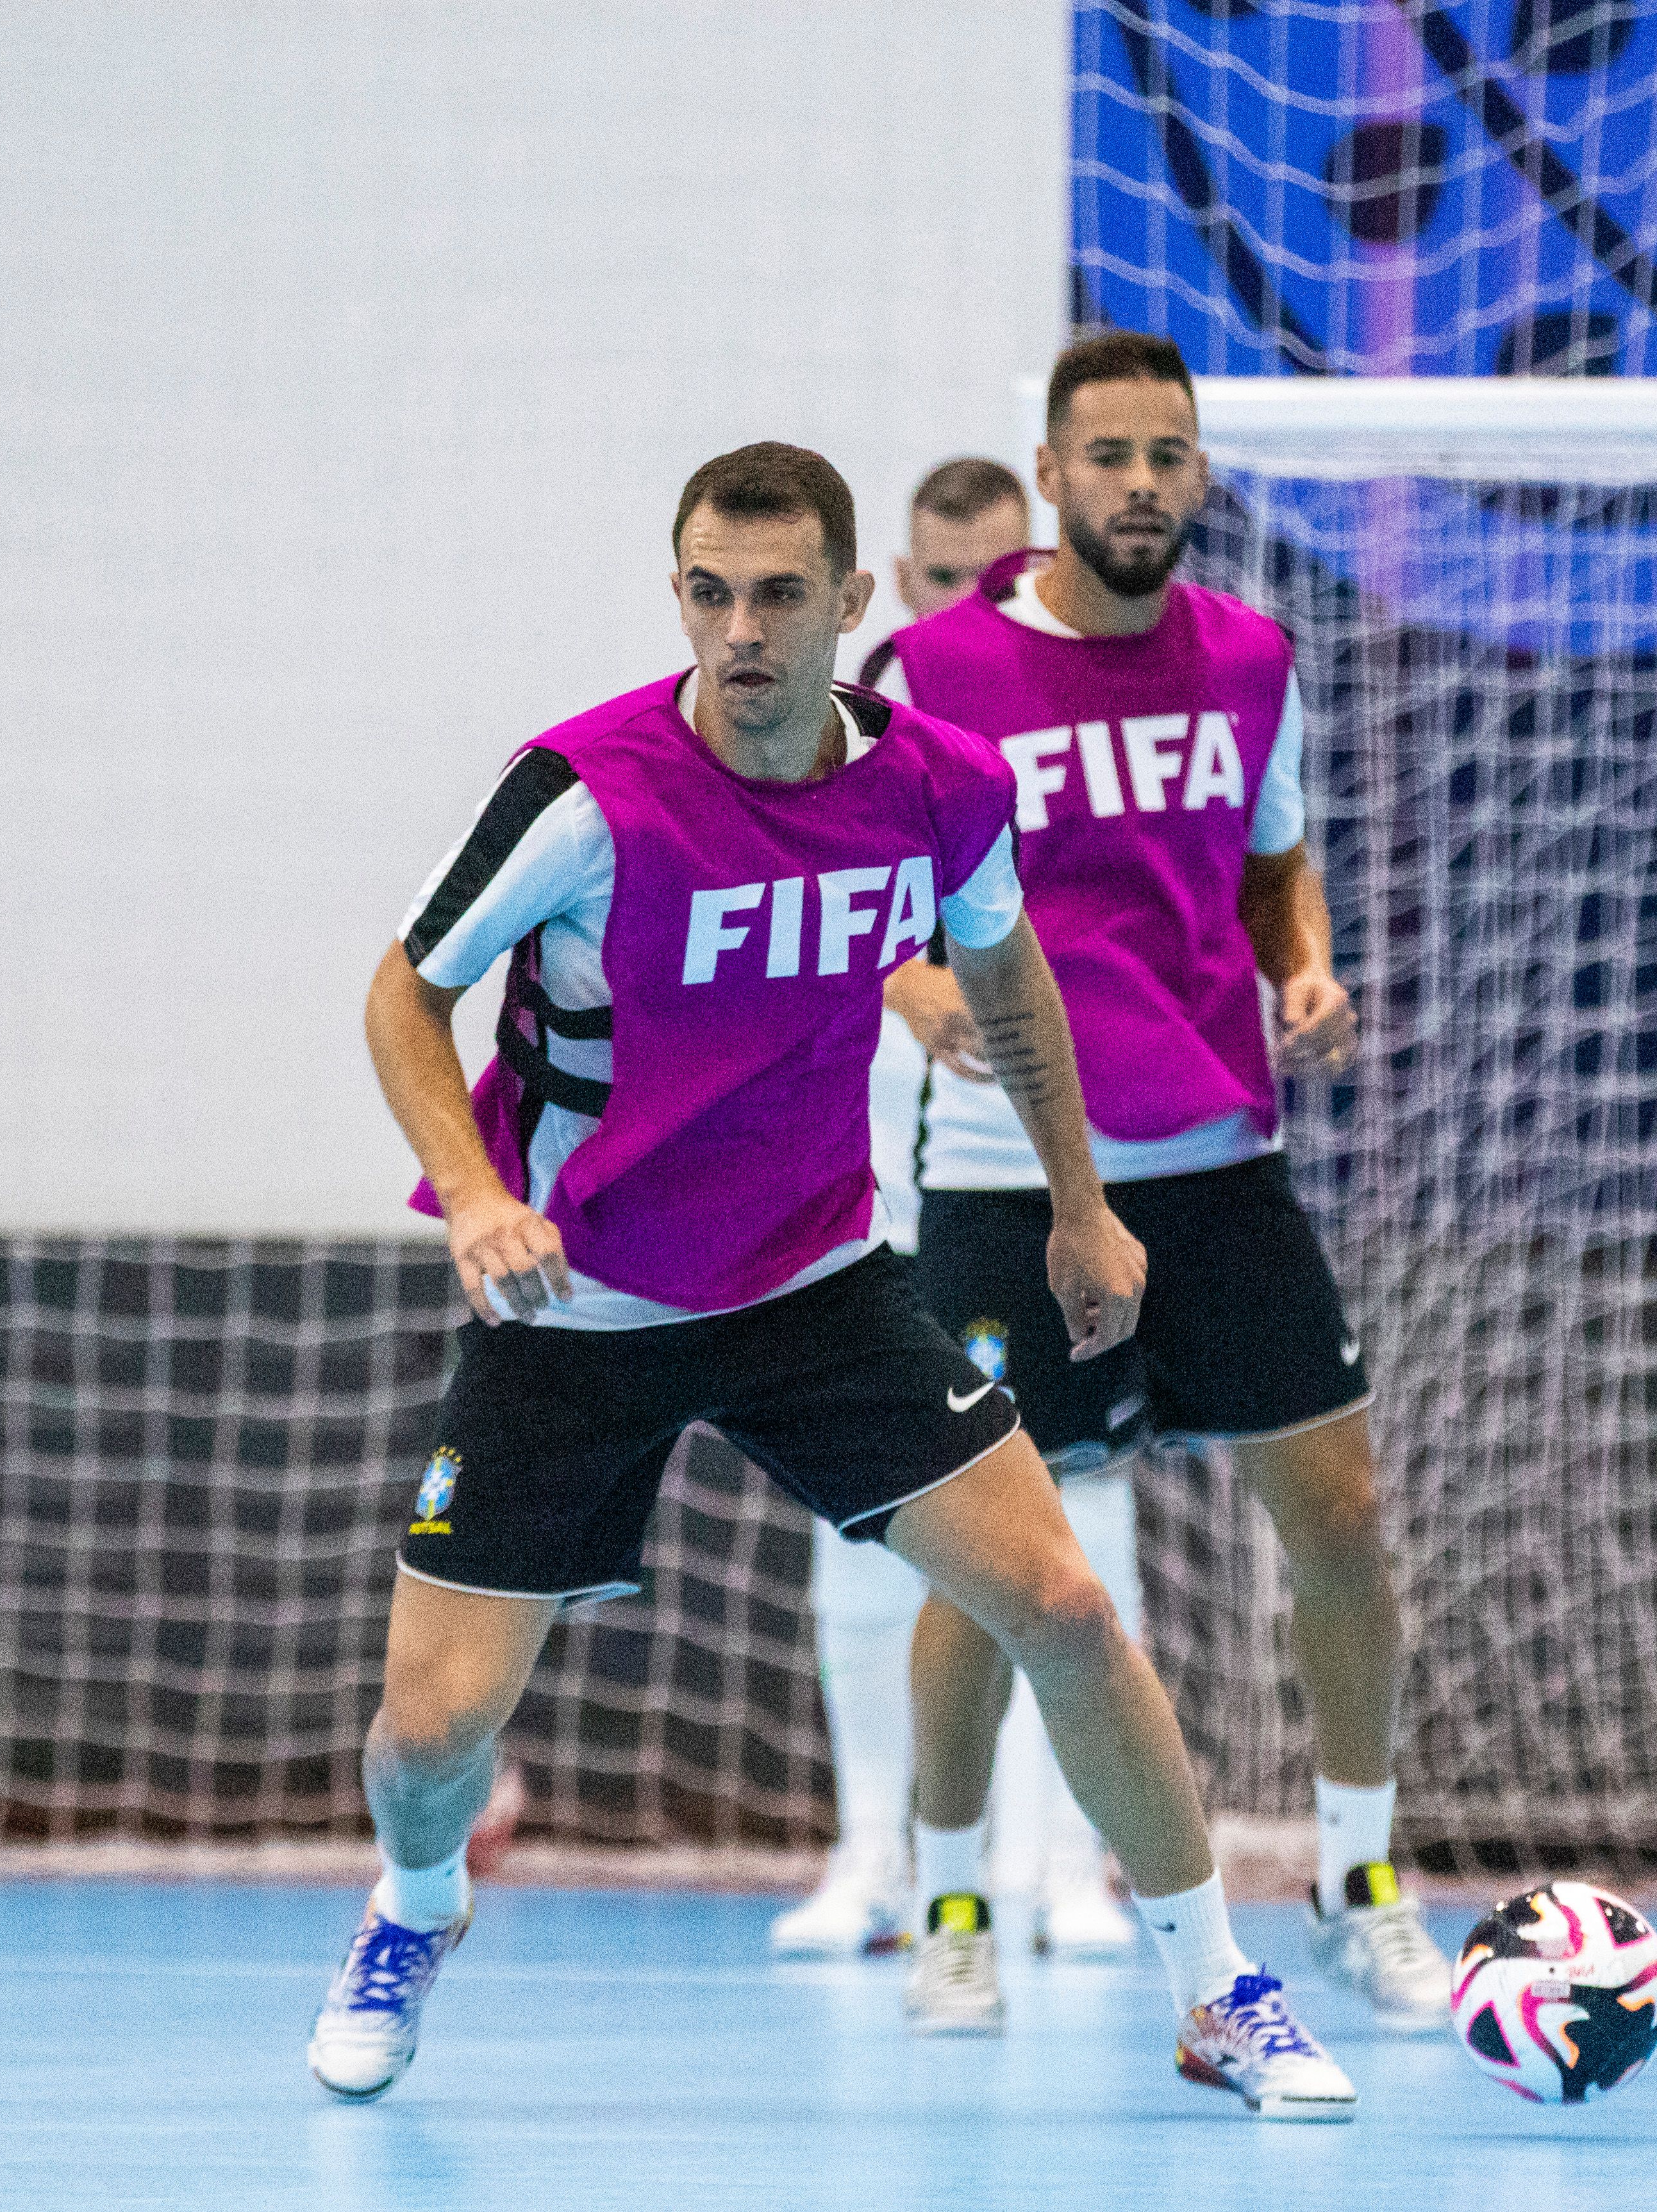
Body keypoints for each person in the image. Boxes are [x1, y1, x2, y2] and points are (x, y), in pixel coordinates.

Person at [310, 441, 1354, 2121]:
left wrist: (1082, 1206)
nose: (742, 630)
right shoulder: (583, 792)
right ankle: (416, 1907)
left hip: (816, 1286)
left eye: (781, 594)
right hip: (575, 1302)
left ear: (849, 605)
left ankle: (1220, 1987)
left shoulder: (938, 784)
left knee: (1074, 1610)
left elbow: (1007, 980)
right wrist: (479, 1193)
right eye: (710, 594)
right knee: (427, 1741)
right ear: (678, 600)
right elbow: (401, 990)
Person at [868, 330, 1449, 2037]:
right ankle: (954, 1898)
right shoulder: (930, 674)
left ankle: (1360, 1879)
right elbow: (856, 881)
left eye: (1167, 456)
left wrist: (1310, 970)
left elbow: (1278, 867)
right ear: (1047, 477)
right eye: (1107, 455)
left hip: (1217, 1155)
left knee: (1340, 1517)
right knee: (996, 1568)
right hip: (1005, 1178)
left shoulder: (1255, 658)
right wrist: (909, 993)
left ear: (1200, 476)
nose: (1139, 484)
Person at [775, 456, 1144, 1968]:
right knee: (875, 1519)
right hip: (871, 1178)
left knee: (1070, 1496)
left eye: (991, 570)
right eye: (934, 574)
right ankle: (878, 1854)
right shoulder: (846, 745)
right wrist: (902, 980)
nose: (961, 599)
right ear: (895, 592)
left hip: (1046, 1157)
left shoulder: (1079, 719)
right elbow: (790, 903)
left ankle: (1069, 1864)